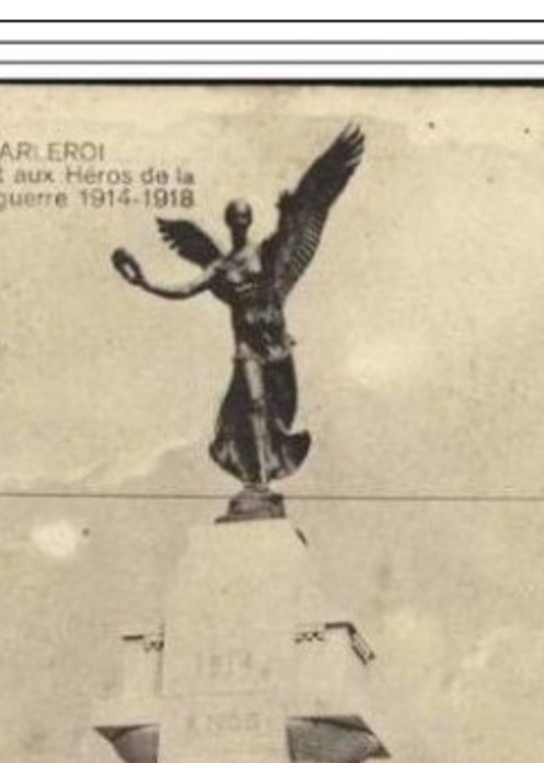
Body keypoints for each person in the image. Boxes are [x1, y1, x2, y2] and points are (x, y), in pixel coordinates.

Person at [111, 125, 364, 496]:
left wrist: (295, 206)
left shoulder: (269, 253)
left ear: (249, 221)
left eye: (246, 218)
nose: (241, 223)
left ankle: (266, 468)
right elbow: (184, 290)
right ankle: (258, 481)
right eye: (237, 218)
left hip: (275, 344)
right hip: (246, 347)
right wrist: (144, 283)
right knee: (254, 406)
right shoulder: (219, 268)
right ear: (231, 223)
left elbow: (306, 212)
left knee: (277, 410)